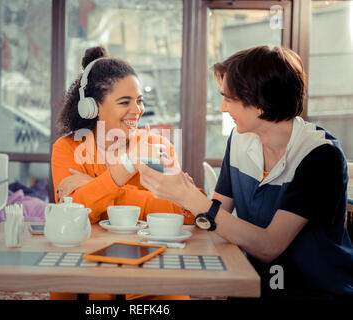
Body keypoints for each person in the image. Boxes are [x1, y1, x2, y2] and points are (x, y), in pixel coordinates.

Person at [138, 45, 353, 300]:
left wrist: (193, 200)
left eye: (229, 98)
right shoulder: (240, 140)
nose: (222, 108)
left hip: (314, 291)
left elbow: (270, 246)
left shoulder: (320, 156)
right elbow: (218, 214)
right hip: (254, 283)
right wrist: (180, 192)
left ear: (260, 103)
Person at [50, 46, 197, 300]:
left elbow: (178, 212)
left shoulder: (158, 146)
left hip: (152, 274)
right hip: (87, 271)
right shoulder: (66, 149)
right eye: (124, 102)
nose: (137, 110)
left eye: (139, 100)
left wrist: (96, 187)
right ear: (92, 107)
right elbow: (72, 208)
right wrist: (127, 168)